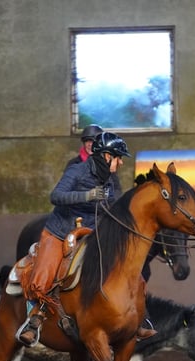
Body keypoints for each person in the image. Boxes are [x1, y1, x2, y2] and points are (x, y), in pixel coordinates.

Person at [16, 132, 131, 347]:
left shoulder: (110, 179)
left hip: (92, 234)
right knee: (45, 274)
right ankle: (34, 321)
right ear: (106, 156)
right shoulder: (76, 170)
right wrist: (86, 196)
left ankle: (132, 314)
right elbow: (56, 196)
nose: (121, 162)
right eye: (118, 157)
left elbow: (113, 205)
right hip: (60, 232)